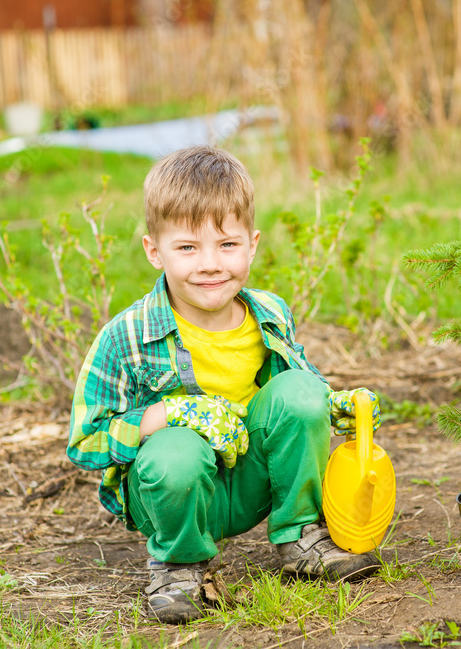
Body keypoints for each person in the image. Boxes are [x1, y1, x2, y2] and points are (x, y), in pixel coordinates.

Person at [67, 145, 382, 623]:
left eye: (227, 245)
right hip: (174, 492)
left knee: (302, 391)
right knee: (176, 450)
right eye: (187, 248)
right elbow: (84, 441)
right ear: (154, 251)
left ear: (252, 244)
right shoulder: (126, 335)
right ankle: (179, 565)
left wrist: (339, 405)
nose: (210, 264)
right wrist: (165, 414)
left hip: (251, 484)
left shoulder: (269, 314)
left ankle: (300, 534)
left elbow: (298, 393)